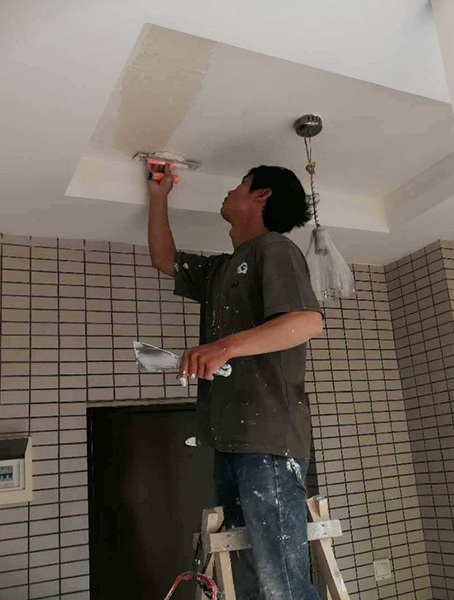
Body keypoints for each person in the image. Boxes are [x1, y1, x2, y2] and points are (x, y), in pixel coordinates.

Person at [146, 162, 324, 600]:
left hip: (268, 442)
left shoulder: (274, 248)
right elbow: (165, 259)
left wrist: (223, 347)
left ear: (261, 195)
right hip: (230, 439)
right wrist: (159, 196)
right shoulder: (220, 270)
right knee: (251, 583)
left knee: (281, 586)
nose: (229, 192)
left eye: (240, 184)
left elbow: (306, 321)